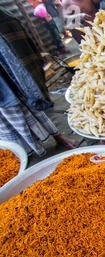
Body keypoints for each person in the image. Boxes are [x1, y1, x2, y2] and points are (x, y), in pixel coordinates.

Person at [0, 8, 78, 156]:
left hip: (13, 72)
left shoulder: (4, 17)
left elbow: (19, 44)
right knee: (9, 116)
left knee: (30, 102)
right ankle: (21, 154)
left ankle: (56, 137)